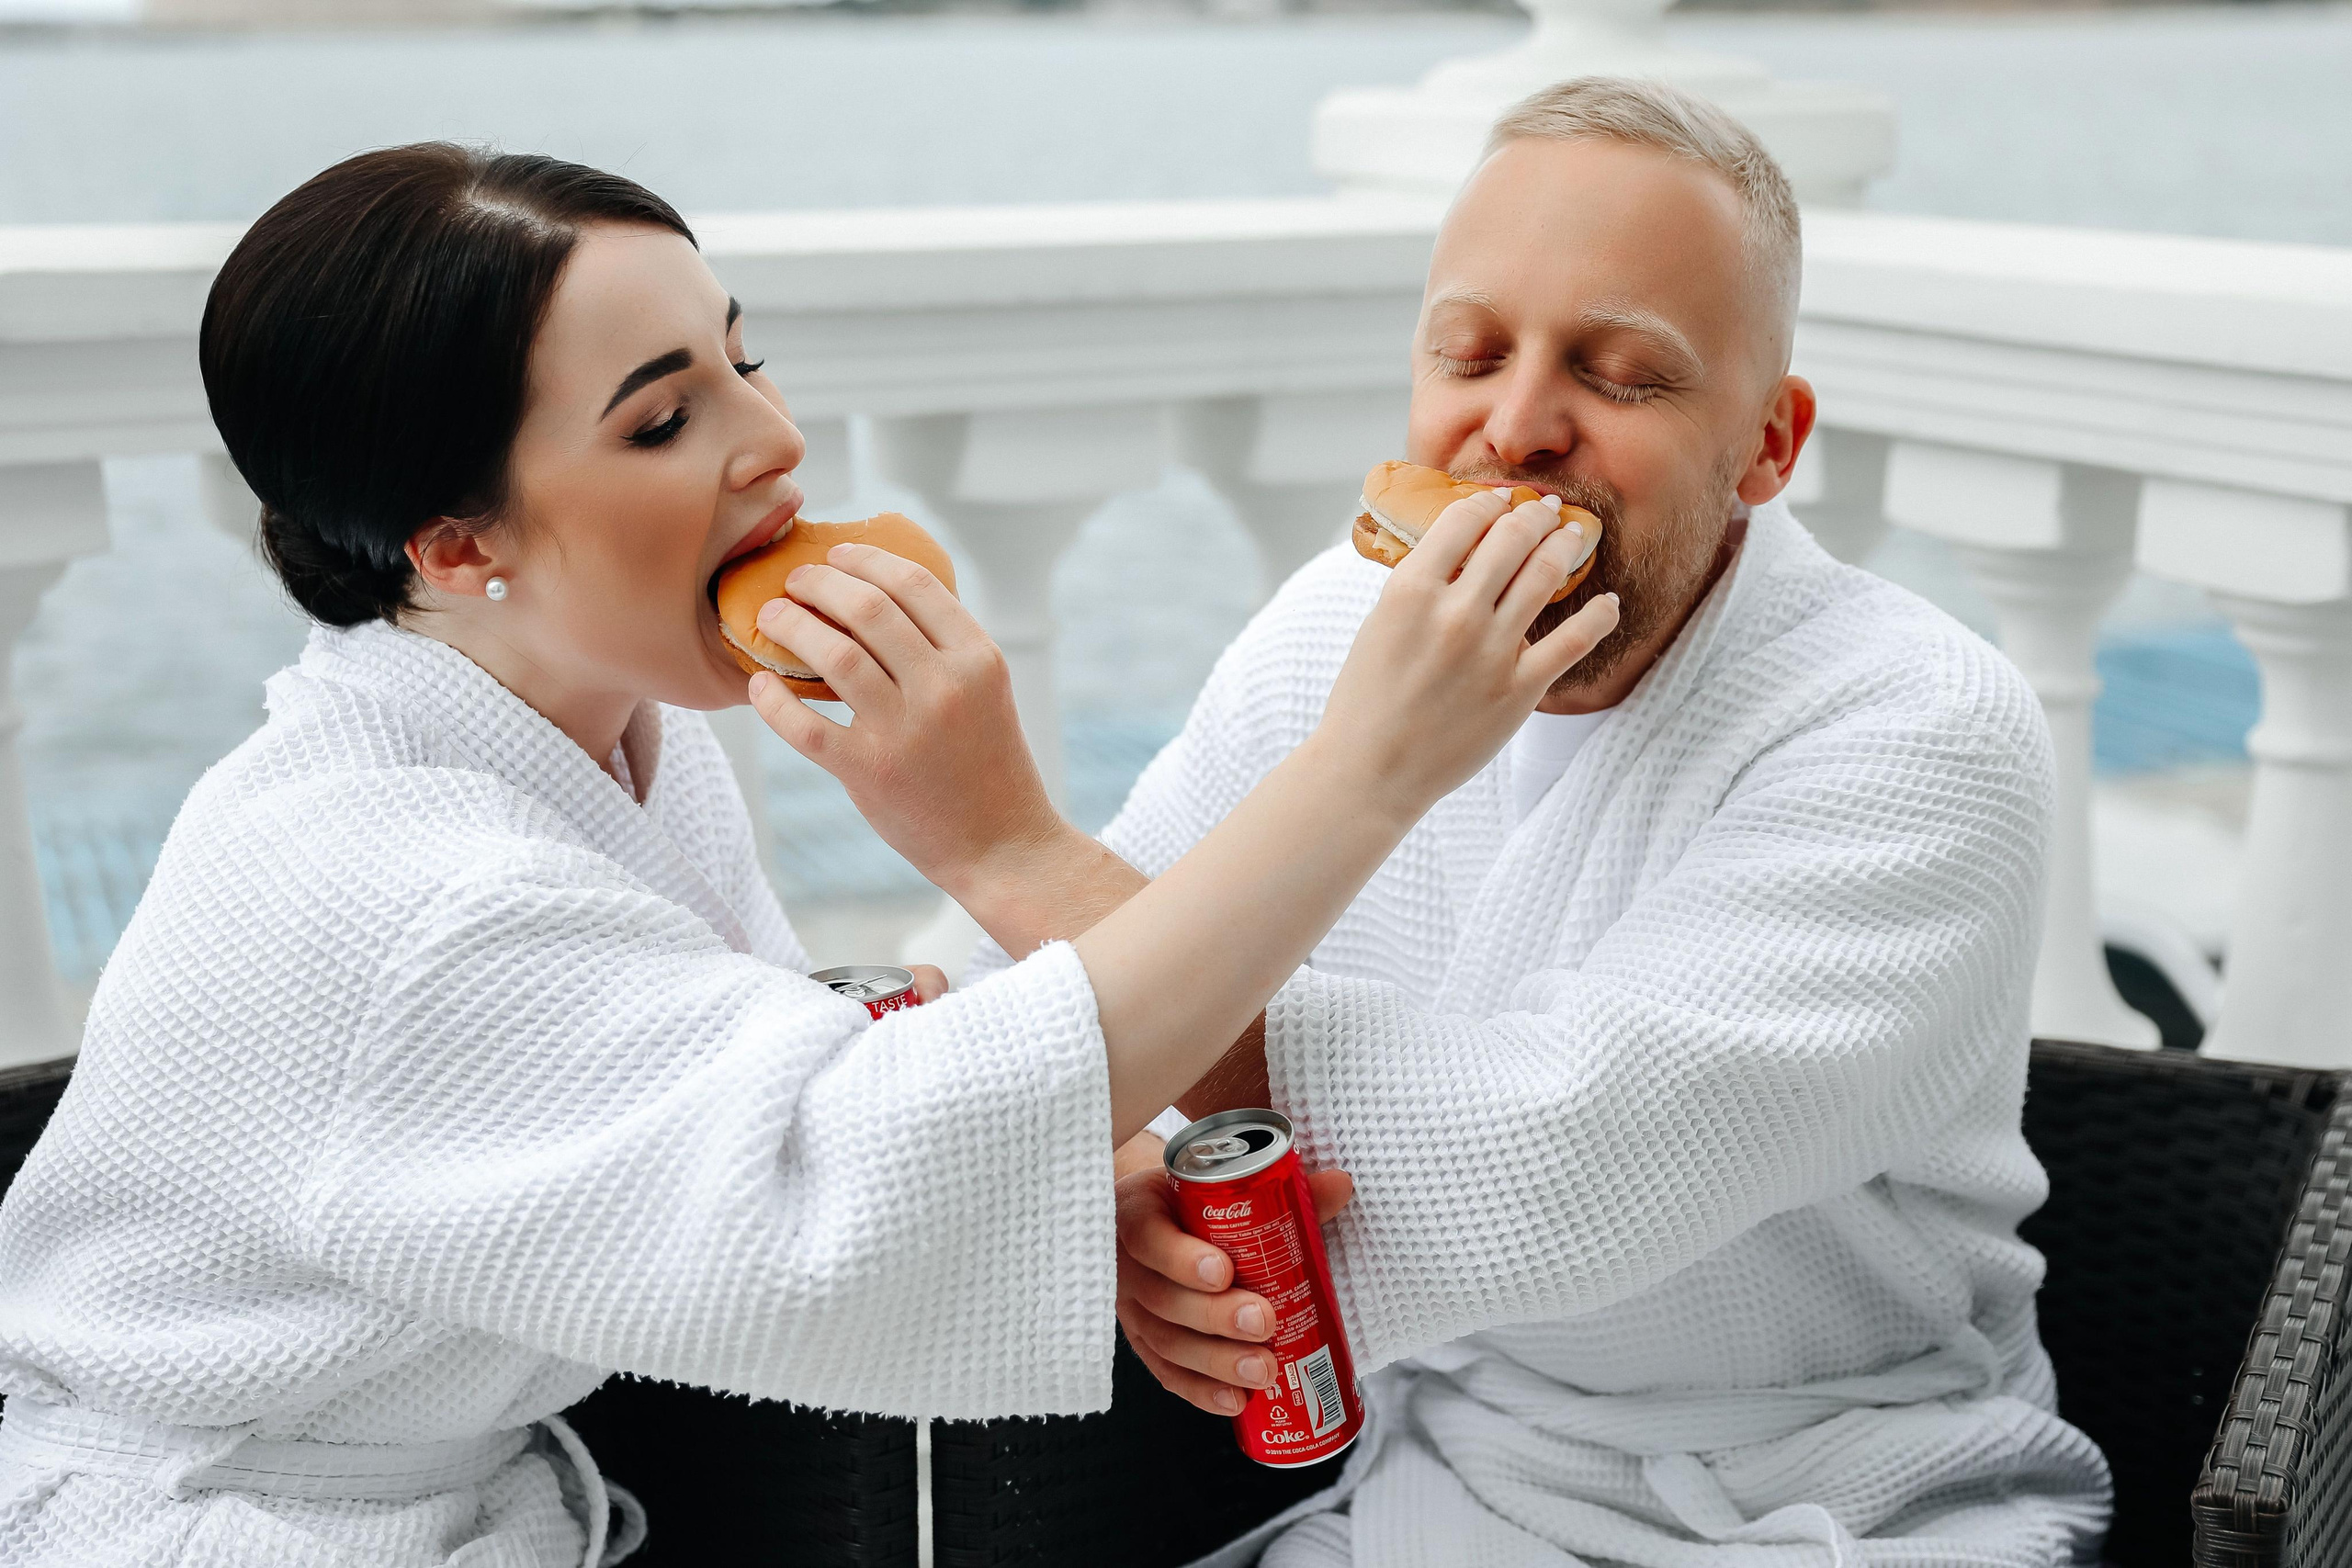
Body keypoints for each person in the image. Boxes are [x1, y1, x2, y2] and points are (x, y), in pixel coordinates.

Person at [0, 145, 1615, 1567]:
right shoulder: (401, 886)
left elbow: (739, 1097)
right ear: (457, 544)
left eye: (742, 356)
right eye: (662, 419)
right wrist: (1368, 772)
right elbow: (834, 1185)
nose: (772, 438)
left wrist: (1081, 1170)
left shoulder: (633, 740)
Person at [880, 79, 2112, 1566]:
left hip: (1848, 1502)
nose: (1515, 431)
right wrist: (1131, 1164)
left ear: (1769, 444)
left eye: (1622, 376)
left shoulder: (1917, 728)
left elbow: (1538, 1177)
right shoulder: (1337, 627)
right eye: (1469, 353)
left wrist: (1007, 848)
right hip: (1436, 1493)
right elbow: (1058, 1016)